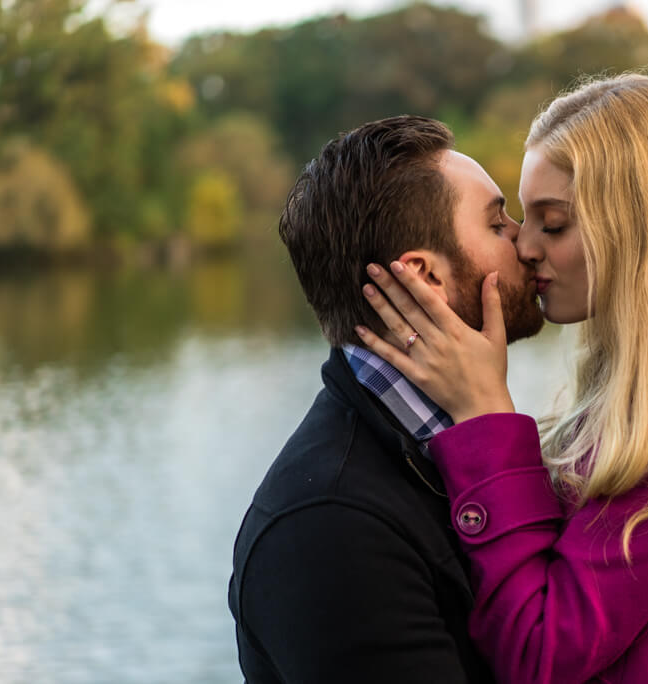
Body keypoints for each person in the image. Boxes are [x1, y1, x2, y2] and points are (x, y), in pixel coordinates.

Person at [355, 74, 648, 683]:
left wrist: (485, 418)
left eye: (552, 224)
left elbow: (542, 655)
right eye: (522, 218)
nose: (524, 246)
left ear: (640, 229)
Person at [227, 115, 544, 684]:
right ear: (424, 277)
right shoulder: (327, 529)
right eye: (499, 224)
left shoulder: (467, 442)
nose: (527, 240)